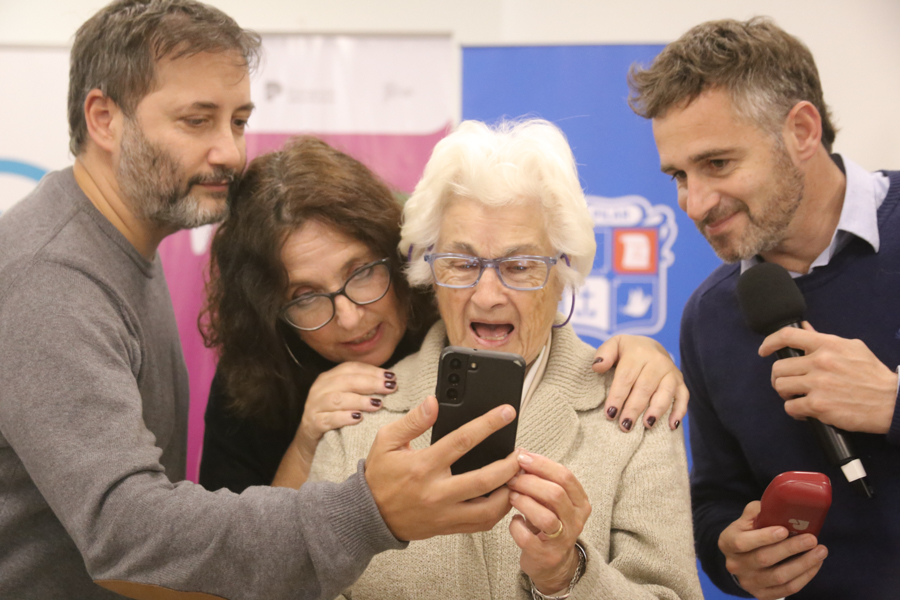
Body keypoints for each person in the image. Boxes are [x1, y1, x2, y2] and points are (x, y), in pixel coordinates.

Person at [0, 1, 528, 598]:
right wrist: (368, 510)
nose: (229, 151)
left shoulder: (117, 252)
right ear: (103, 118)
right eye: (197, 121)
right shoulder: (51, 277)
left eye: (239, 121)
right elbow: (125, 532)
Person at [305, 119, 703, 600]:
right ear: (428, 269)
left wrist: (568, 577)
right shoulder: (358, 414)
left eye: (519, 266)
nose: (488, 294)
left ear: (565, 271)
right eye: (462, 262)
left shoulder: (634, 407)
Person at [199, 135, 690, 494]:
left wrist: (644, 351)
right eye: (305, 297)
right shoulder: (253, 377)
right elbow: (248, 566)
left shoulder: (454, 298)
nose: (349, 318)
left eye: (362, 274)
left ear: (401, 261)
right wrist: (308, 442)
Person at [628, 17, 900, 600]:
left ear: (802, 130)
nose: (694, 203)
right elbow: (714, 498)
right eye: (679, 175)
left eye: (718, 164)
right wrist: (733, 555)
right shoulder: (708, 316)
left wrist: (893, 403)